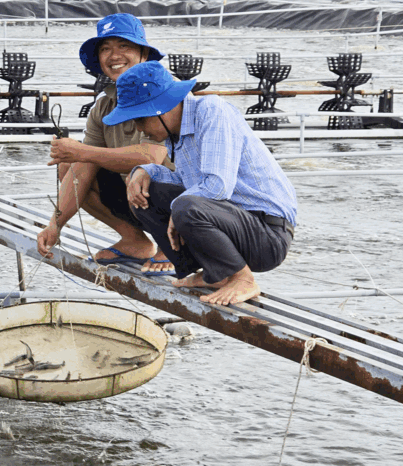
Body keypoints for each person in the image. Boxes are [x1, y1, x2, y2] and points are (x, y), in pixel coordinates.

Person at [103, 60, 297, 305]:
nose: (139, 129)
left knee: (186, 205)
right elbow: (189, 183)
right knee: (143, 190)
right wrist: (146, 171)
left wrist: (180, 206)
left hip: (267, 233)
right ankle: (214, 273)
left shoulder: (212, 111)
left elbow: (217, 186)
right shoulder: (175, 136)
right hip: (232, 224)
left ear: (159, 109)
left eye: (139, 120)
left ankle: (242, 279)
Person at [36, 13, 175, 275]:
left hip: (178, 195)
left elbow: (152, 157)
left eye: (124, 46)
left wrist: (81, 150)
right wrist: (55, 225)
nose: (114, 55)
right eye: (106, 48)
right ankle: (133, 240)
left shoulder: (165, 93)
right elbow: (83, 162)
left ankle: (170, 245)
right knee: (70, 165)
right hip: (135, 194)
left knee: (146, 173)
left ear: (144, 53)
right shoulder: (103, 105)